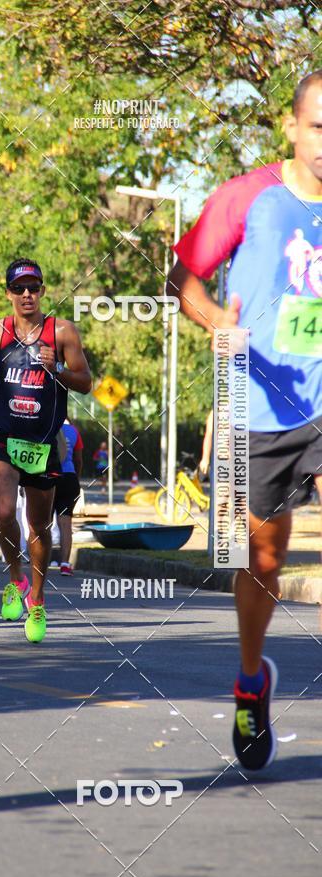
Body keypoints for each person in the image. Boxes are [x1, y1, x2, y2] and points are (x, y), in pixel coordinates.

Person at [166, 70, 322, 770]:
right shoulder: (247, 196)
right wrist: (216, 326)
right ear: (291, 128)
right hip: (256, 404)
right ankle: (252, 680)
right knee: (262, 560)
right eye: (318, 127)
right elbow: (183, 279)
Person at [0, 258, 92, 643]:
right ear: (8, 293)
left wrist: (57, 370)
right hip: (3, 434)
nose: (27, 294)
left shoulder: (62, 332)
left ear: (42, 291)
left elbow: (86, 381)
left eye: (33, 288)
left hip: (43, 440)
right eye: (19, 288)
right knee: (5, 512)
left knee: (39, 526)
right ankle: (15, 578)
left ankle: (37, 599)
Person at [55, 419, 83, 576]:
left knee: (42, 524)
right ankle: (65, 564)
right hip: (69, 478)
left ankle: (39, 563)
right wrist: (76, 477)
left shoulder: (44, 425)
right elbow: (78, 460)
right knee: (65, 523)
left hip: (47, 477)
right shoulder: (74, 431)